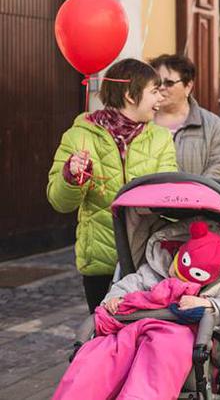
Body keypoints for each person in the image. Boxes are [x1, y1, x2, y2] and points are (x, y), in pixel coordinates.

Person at [53, 220, 220, 400]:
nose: (179, 277)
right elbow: (128, 284)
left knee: (160, 358)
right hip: (131, 330)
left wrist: (208, 304)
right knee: (98, 356)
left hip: (178, 335)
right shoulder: (153, 269)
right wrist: (115, 299)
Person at [47, 59, 178, 313]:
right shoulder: (79, 135)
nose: (160, 99)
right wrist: (72, 178)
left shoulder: (161, 139)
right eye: (154, 91)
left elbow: (168, 196)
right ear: (130, 95)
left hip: (147, 261)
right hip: (101, 262)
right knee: (104, 339)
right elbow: (59, 201)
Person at [151, 54, 220, 179]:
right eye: (157, 83)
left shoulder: (213, 125)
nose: (161, 88)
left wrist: (196, 192)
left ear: (188, 86)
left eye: (169, 83)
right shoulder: (142, 123)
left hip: (199, 196)